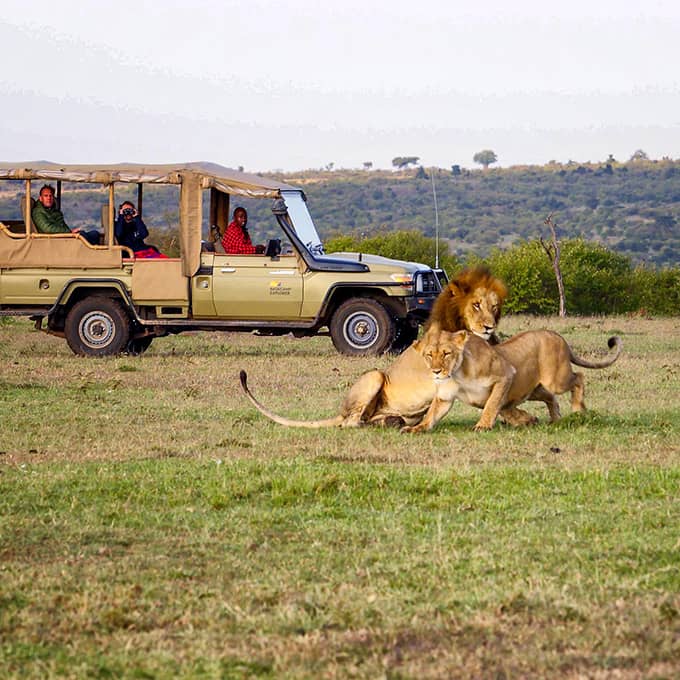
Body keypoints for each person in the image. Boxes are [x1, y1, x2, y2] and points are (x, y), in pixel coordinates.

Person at [31, 184, 101, 245]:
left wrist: (70, 233)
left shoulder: (54, 211)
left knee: (94, 234)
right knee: (82, 236)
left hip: (62, 237)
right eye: (46, 196)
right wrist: (69, 232)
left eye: (50, 196)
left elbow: (62, 225)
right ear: (40, 198)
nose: (49, 198)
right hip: (53, 240)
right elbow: (47, 229)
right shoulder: (38, 212)